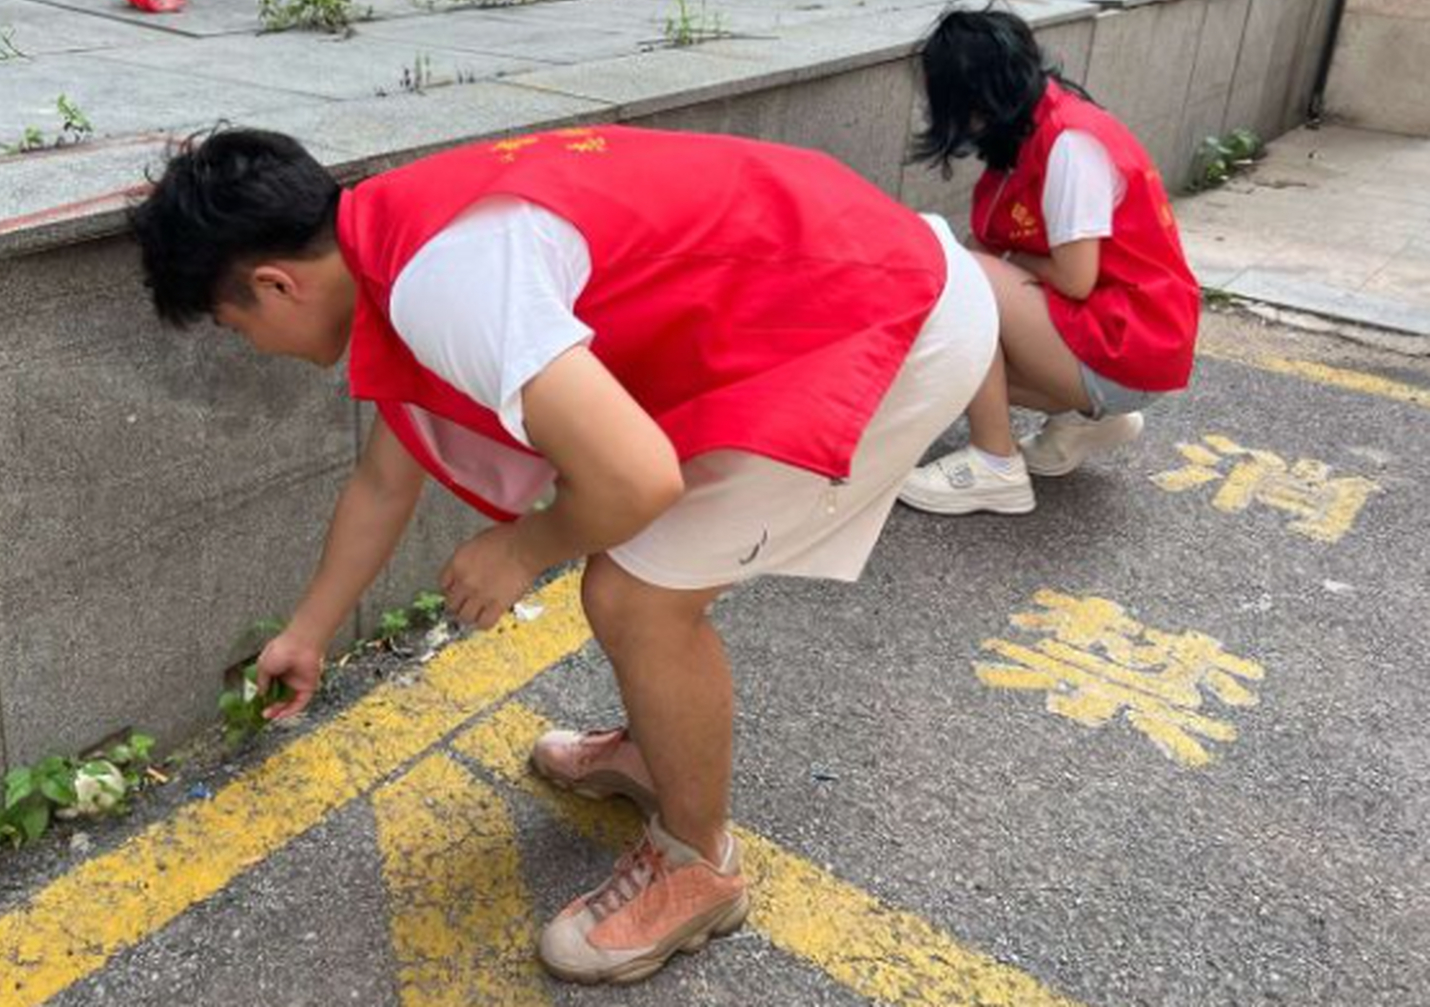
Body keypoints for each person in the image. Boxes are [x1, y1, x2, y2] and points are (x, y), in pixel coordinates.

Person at [130, 122, 999, 984]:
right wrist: (309, 633)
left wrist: (521, 549)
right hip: (834, 282)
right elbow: (383, 481)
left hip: (885, 323)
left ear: (275, 285)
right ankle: (661, 752)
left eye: (233, 326)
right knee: (644, 567)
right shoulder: (391, 234)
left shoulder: (445, 287)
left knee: (635, 595)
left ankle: (699, 865)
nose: (252, 347)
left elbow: (635, 480)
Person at [897, 9, 1201, 517]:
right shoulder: (1036, 126)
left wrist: (993, 261)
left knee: (959, 278)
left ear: (978, 95)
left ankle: (995, 466)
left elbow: (1077, 279)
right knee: (948, 357)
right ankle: (1087, 421)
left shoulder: (1069, 144)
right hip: (1130, 344)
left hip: (1126, 348)